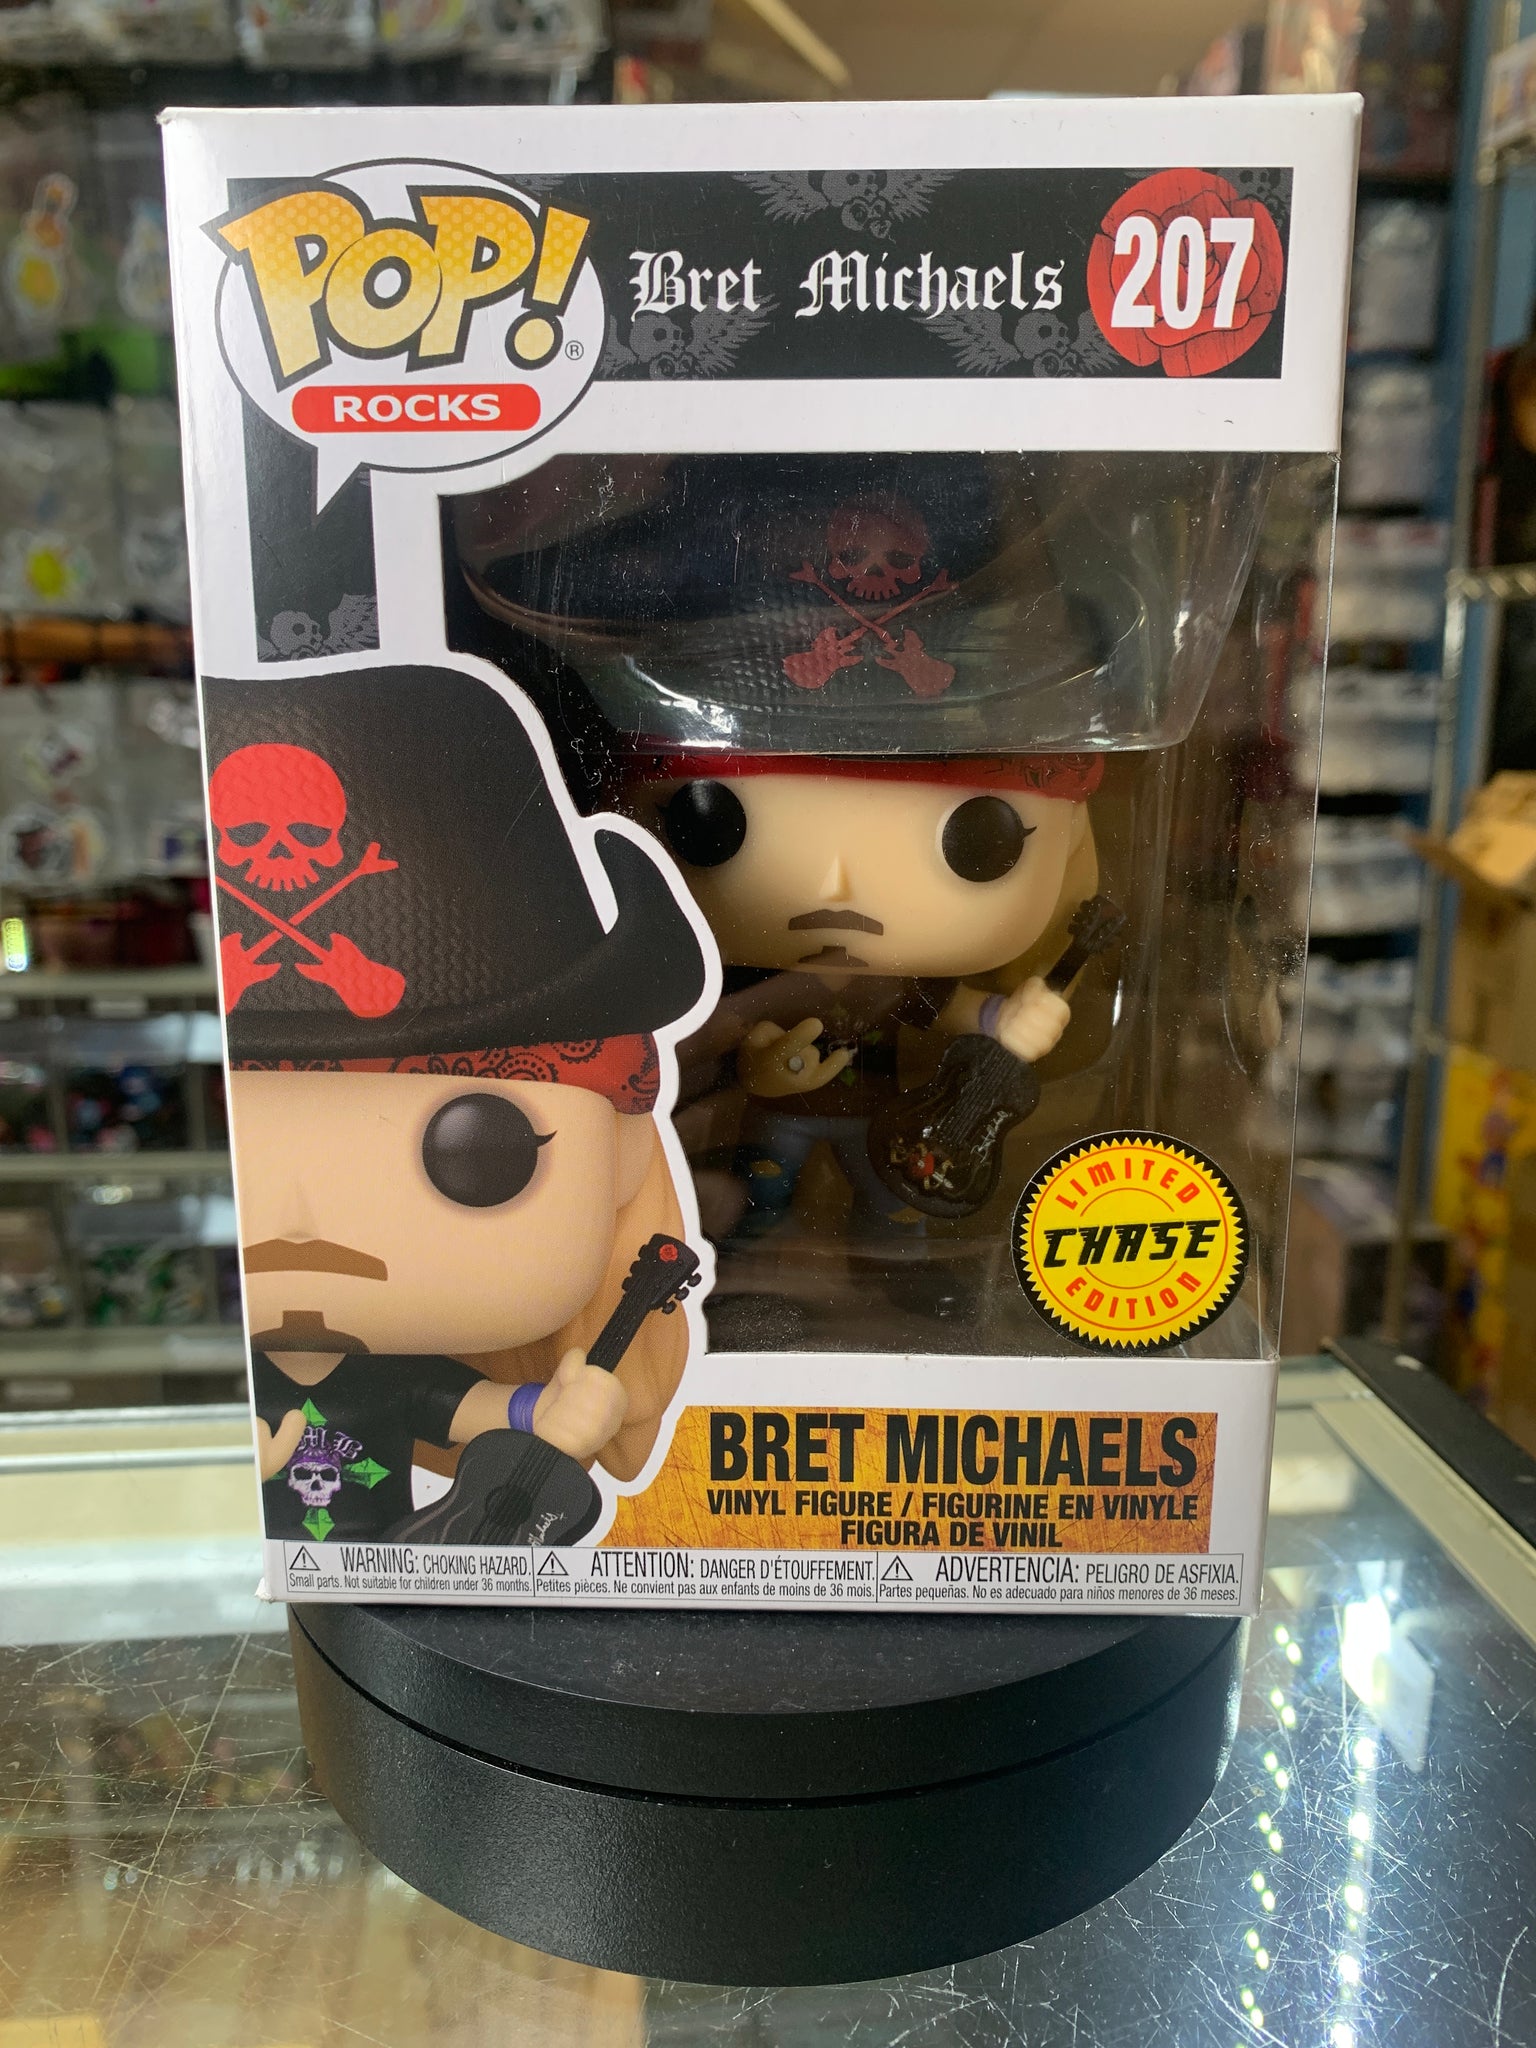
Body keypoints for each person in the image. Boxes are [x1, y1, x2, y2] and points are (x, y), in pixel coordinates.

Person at [205, 663, 709, 1545]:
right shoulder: (232, 1388)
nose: (297, 1222)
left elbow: (491, 1413)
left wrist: (558, 1414)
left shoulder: (392, 1381)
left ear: (622, 1154)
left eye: (475, 1152)